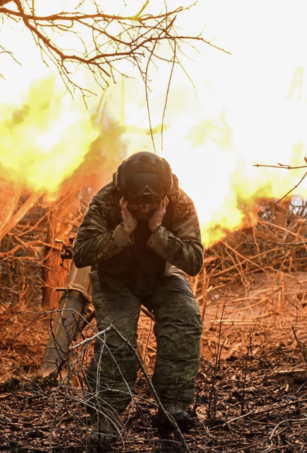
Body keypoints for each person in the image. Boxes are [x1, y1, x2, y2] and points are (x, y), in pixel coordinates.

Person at [72, 151, 204, 447]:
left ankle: (172, 409)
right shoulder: (106, 200)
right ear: (123, 193)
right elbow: (81, 253)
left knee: (185, 317)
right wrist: (124, 231)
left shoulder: (179, 201)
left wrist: (158, 230)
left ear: (164, 193)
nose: (144, 206)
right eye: (138, 202)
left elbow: (194, 260)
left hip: (161, 275)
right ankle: (106, 419)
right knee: (116, 338)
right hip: (115, 279)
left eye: (150, 202)